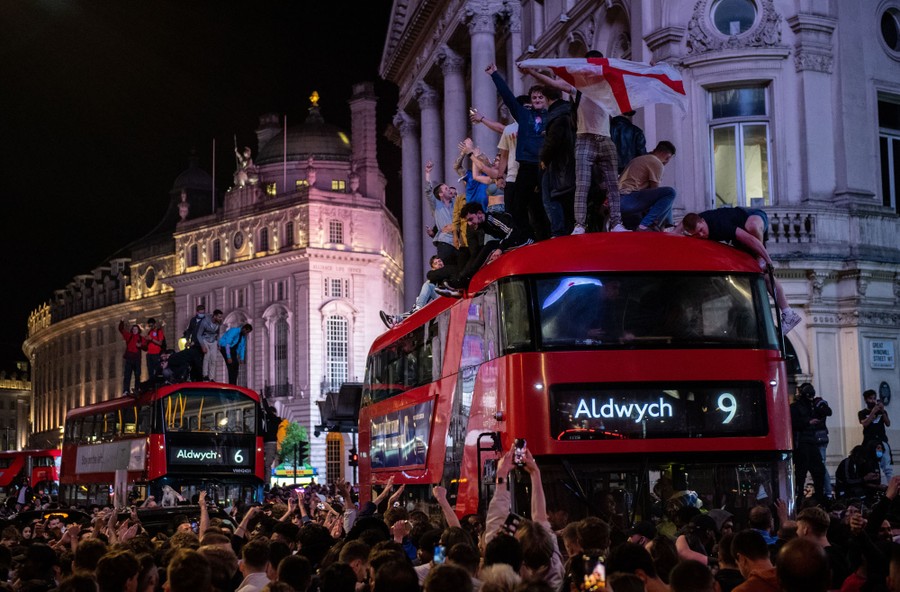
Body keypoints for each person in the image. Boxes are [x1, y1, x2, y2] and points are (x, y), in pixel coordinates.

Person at [521, 51, 627, 235]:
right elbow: (553, 83)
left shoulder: (607, 88)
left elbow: (629, 100)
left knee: (612, 184)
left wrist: (649, 71)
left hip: (605, 138)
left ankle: (617, 222)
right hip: (585, 138)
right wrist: (531, 72)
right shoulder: (578, 87)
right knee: (582, 184)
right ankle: (580, 225)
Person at [678, 207, 802, 334]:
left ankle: (760, 259)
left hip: (753, 217)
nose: (702, 235)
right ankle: (788, 313)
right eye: (697, 235)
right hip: (738, 241)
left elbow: (751, 239)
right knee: (763, 276)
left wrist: (767, 260)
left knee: (752, 225)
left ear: (703, 222)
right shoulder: (695, 220)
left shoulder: (719, 224)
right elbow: (681, 225)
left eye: (701, 230)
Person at [487, 63, 551, 241]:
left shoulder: (552, 116)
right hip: (526, 166)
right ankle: (527, 235)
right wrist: (495, 75)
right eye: (534, 97)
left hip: (544, 165)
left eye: (540, 97)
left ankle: (546, 236)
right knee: (517, 206)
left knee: (541, 204)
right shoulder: (523, 115)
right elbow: (507, 97)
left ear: (546, 100)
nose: (537, 99)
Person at [437, 202, 532, 297]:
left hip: (525, 241)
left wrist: (500, 248)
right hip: (512, 242)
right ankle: (461, 282)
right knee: (483, 249)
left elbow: (513, 231)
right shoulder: (484, 225)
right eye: (467, 221)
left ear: (479, 213)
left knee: (489, 246)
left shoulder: (493, 219)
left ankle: (463, 281)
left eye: (470, 219)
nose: (470, 224)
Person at [617, 141, 678, 231]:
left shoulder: (640, 159)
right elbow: (655, 191)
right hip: (627, 199)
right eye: (668, 159)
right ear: (666, 155)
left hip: (618, 200)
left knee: (665, 198)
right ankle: (646, 225)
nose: (666, 162)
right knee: (670, 193)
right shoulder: (656, 162)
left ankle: (667, 224)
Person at [380, 255, 447, 328]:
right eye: (435, 263)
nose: (439, 263)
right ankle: (398, 318)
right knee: (429, 284)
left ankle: (415, 309)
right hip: (443, 298)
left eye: (439, 261)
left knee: (429, 284)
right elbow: (431, 276)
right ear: (433, 268)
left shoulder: (450, 270)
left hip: (450, 297)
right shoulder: (433, 280)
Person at [790, 382, 828, 503]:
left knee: (819, 471)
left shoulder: (812, 406)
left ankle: (819, 498)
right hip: (801, 443)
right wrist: (808, 422)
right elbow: (793, 423)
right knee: (801, 474)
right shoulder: (795, 407)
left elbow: (827, 412)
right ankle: (799, 497)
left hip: (812, 442)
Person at [423, 160, 459, 266]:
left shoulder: (455, 204)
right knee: (445, 267)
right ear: (441, 194)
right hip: (445, 242)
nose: (449, 190)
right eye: (446, 189)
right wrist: (428, 173)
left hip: (458, 242)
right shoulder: (436, 205)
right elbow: (428, 191)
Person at [859, 388, 892, 480]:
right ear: (866, 400)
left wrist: (882, 411)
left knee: (886, 464)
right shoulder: (862, 413)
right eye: (870, 398)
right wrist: (872, 412)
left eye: (874, 398)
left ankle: (891, 486)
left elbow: (888, 423)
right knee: (873, 465)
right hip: (869, 443)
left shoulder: (881, 412)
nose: (873, 400)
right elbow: (865, 423)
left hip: (881, 441)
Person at [118, 320, 145, 395]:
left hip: (137, 359)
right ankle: (126, 390)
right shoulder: (129, 336)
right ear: (132, 330)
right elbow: (121, 329)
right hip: (129, 358)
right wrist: (122, 322)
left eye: (136, 329)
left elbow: (146, 347)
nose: (134, 330)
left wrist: (141, 345)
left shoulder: (141, 338)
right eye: (133, 329)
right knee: (127, 375)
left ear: (138, 330)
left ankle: (137, 389)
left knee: (137, 375)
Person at [197, 309, 223, 382]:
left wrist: (218, 343)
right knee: (207, 356)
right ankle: (205, 375)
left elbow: (218, 333)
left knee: (213, 359)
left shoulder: (219, 323)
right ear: (214, 316)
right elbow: (199, 335)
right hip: (205, 339)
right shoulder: (205, 322)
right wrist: (202, 346)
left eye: (221, 317)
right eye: (219, 317)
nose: (220, 318)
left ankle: (211, 377)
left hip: (213, 340)